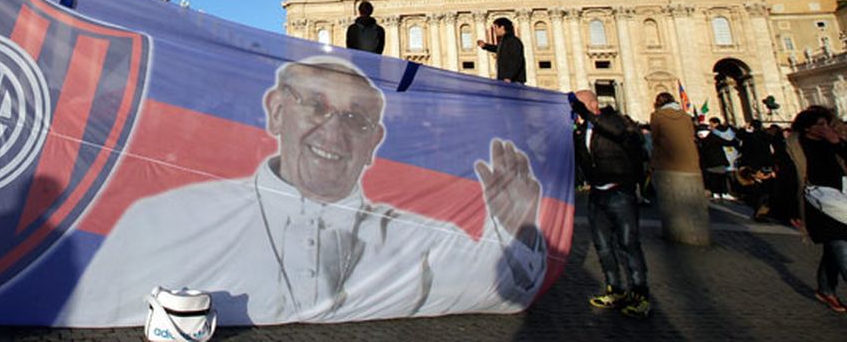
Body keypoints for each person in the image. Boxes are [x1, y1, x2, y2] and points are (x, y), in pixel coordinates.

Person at [60, 56, 546, 326]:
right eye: (315, 107)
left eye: (356, 119)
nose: (334, 132)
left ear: (376, 141)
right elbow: (89, 298)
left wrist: (514, 230)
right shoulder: (163, 217)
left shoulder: (419, 237)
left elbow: (505, 287)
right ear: (275, 110)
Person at [570, 89, 651, 318]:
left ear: (594, 104)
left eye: (580, 103)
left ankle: (640, 294)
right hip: (597, 193)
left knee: (628, 244)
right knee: (603, 246)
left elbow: (621, 136)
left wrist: (591, 117)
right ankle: (614, 289)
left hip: (620, 191)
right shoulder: (581, 129)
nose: (576, 108)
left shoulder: (617, 121)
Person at [786, 106, 847, 313]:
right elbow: (786, 180)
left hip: (842, 198)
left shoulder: (835, 141)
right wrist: (792, 212)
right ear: (807, 128)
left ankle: (825, 289)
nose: (825, 128)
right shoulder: (793, 146)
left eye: (826, 123)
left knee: (833, 248)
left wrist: (836, 143)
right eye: (819, 125)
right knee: (840, 243)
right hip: (816, 203)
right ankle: (827, 290)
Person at [649, 92, 709, 244]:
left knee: (670, 200)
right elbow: (691, 134)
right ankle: (697, 234)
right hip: (690, 162)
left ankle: (675, 233)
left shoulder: (658, 116)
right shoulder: (686, 116)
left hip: (668, 161)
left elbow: (655, 138)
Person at [699, 117, 739, 200]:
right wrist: (735, 141)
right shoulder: (713, 136)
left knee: (713, 177)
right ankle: (724, 192)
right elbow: (726, 142)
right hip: (718, 160)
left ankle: (716, 192)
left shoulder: (699, 139)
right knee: (721, 177)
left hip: (708, 162)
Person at [477, 17, 526, 84]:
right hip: (506, 79)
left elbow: (517, 60)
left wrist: (509, 76)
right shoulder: (505, 41)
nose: (495, 30)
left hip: (513, 80)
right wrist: (485, 46)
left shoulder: (513, 41)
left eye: (496, 27)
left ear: (502, 27)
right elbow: (498, 48)